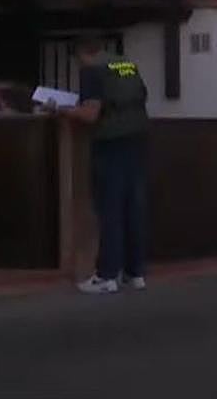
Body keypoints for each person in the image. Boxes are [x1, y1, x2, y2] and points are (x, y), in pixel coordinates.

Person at [56, 36, 151, 294]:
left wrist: (61, 109)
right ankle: (135, 274)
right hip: (138, 139)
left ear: (81, 54)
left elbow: (90, 114)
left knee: (110, 209)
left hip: (110, 144)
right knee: (133, 208)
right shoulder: (126, 64)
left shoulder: (92, 71)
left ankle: (107, 276)